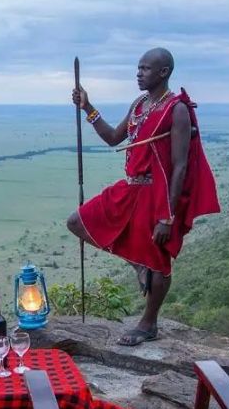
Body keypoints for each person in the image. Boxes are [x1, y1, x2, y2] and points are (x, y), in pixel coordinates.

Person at [69, 48, 220, 345]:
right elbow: (113, 137)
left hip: (157, 194)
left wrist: (167, 215)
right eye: (138, 68)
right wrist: (88, 108)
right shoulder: (140, 104)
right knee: (77, 222)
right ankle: (137, 266)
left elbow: (180, 165)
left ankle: (148, 324)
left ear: (163, 72)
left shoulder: (176, 109)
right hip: (131, 188)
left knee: (158, 259)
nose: (139, 73)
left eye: (146, 69)